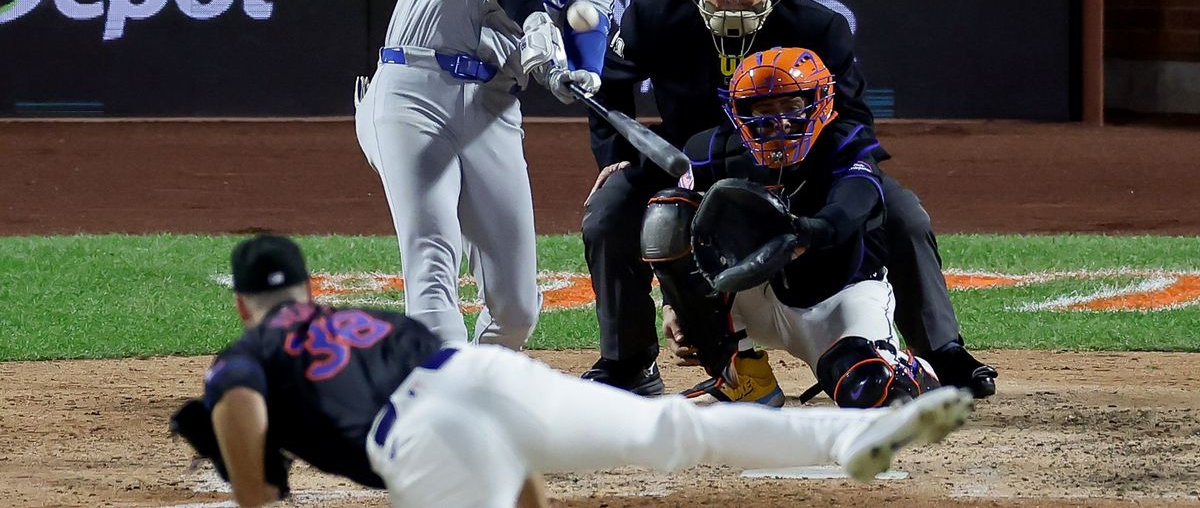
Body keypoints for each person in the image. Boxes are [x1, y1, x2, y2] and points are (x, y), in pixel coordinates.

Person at [170, 233, 976, 508]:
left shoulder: (246, 352)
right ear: (308, 290)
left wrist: (253, 479)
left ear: (244, 303)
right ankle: (851, 435)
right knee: (675, 426)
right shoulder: (368, 320)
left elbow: (243, 409)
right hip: (483, 378)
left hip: (421, 430)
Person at [581, 0, 997, 398]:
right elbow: (609, 92)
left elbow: (853, 115)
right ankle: (632, 360)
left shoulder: (819, 27)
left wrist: (837, 175)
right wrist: (613, 159)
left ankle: (941, 353)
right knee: (610, 211)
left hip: (799, 158)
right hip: (691, 157)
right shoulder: (651, 16)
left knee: (902, 213)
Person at [354, 0, 640, 350]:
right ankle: (441, 410)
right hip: (414, 88)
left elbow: (589, 33)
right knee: (433, 261)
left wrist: (575, 75)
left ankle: (484, 392)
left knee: (518, 307)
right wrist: (534, 21)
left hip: (495, 109)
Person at [645, 47, 941, 409]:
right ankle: (742, 377)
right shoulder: (712, 150)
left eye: (791, 107)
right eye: (764, 111)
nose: (779, 122)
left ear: (818, 103)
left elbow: (850, 207)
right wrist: (674, 305)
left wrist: (805, 232)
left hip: (837, 296)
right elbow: (676, 237)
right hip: (750, 293)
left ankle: (908, 369)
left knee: (869, 389)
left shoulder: (845, 143)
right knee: (666, 215)